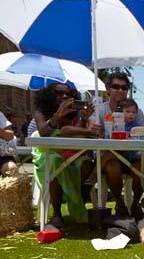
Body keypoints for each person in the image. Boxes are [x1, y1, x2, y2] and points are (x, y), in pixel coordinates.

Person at [31, 83, 97, 228]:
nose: (64, 96)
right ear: (49, 95)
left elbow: (75, 134)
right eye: (58, 93)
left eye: (68, 94)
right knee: (55, 163)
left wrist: (84, 118)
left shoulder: (75, 112)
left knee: (88, 165)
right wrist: (58, 115)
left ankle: (79, 205)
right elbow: (44, 132)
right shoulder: (41, 112)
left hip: (72, 152)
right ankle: (56, 214)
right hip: (48, 153)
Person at [96, 72, 144, 216]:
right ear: (108, 89)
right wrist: (92, 127)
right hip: (111, 157)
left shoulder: (136, 111)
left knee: (141, 168)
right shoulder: (100, 110)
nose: (120, 90)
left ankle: (135, 204)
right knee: (112, 166)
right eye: (116, 86)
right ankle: (120, 204)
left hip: (132, 156)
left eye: (124, 88)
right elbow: (91, 128)